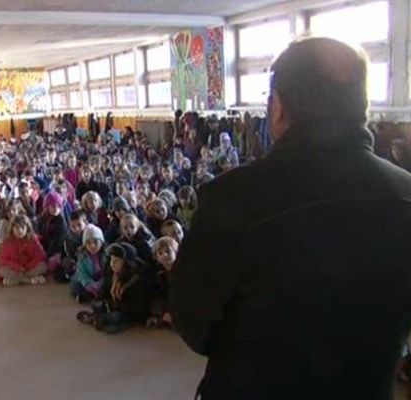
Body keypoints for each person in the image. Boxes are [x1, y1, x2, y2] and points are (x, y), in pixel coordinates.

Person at [171, 37, 411, 400]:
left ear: (278, 108)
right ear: (363, 108)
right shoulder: (405, 195)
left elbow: (194, 323)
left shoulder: (233, 198)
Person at [0, 214, 47, 286]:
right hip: (15, 269)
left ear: (27, 228)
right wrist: (18, 267)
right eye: (16, 228)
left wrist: (28, 266)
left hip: (29, 268)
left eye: (22, 227)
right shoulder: (8, 242)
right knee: (2, 270)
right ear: (12, 229)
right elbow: (3, 260)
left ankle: (17, 280)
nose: (20, 230)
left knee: (43, 266)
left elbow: (40, 255)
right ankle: (29, 280)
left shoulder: (33, 240)